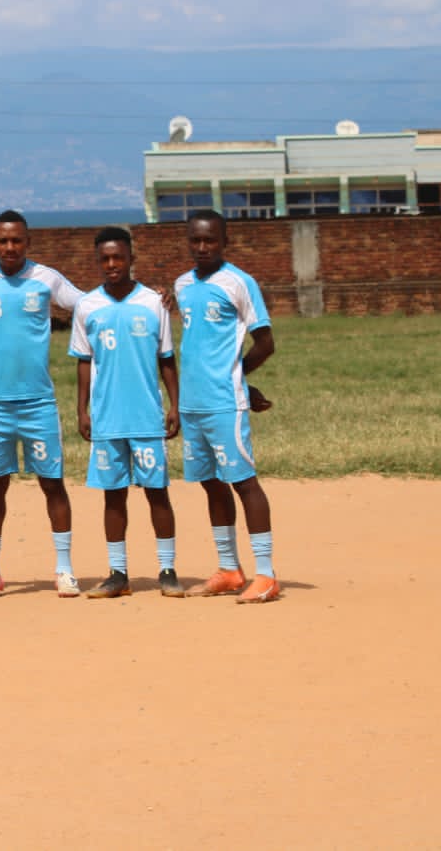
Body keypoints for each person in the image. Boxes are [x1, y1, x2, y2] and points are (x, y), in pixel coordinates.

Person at [0, 210, 84, 599]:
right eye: (3, 241)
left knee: (53, 484)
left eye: (17, 241)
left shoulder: (46, 279)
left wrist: (147, 297)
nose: (10, 247)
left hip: (38, 403)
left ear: (28, 242)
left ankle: (64, 569)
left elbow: (87, 305)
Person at [70, 227, 183, 598]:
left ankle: (167, 569)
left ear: (132, 259)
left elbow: (166, 359)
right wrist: (82, 409)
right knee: (113, 495)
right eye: (105, 258)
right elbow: (84, 362)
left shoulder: (153, 302)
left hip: (146, 417)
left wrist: (175, 404)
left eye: (119, 257)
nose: (112, 264)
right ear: (97, 262)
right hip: (106, 418)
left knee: (157, 493)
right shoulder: (87, 306)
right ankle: (118, 573)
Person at [175, 210, 280, 603]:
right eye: (196, 240)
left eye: (211, 241)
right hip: (192, 405)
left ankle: (266, 574)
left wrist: (240, 379)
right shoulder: (183, 285)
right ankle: (229, 569)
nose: (202, 247)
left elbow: (265, 343)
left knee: (244, 483)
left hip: (224, 404)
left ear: (225, 242)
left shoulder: (239, 282)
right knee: (210, 484)